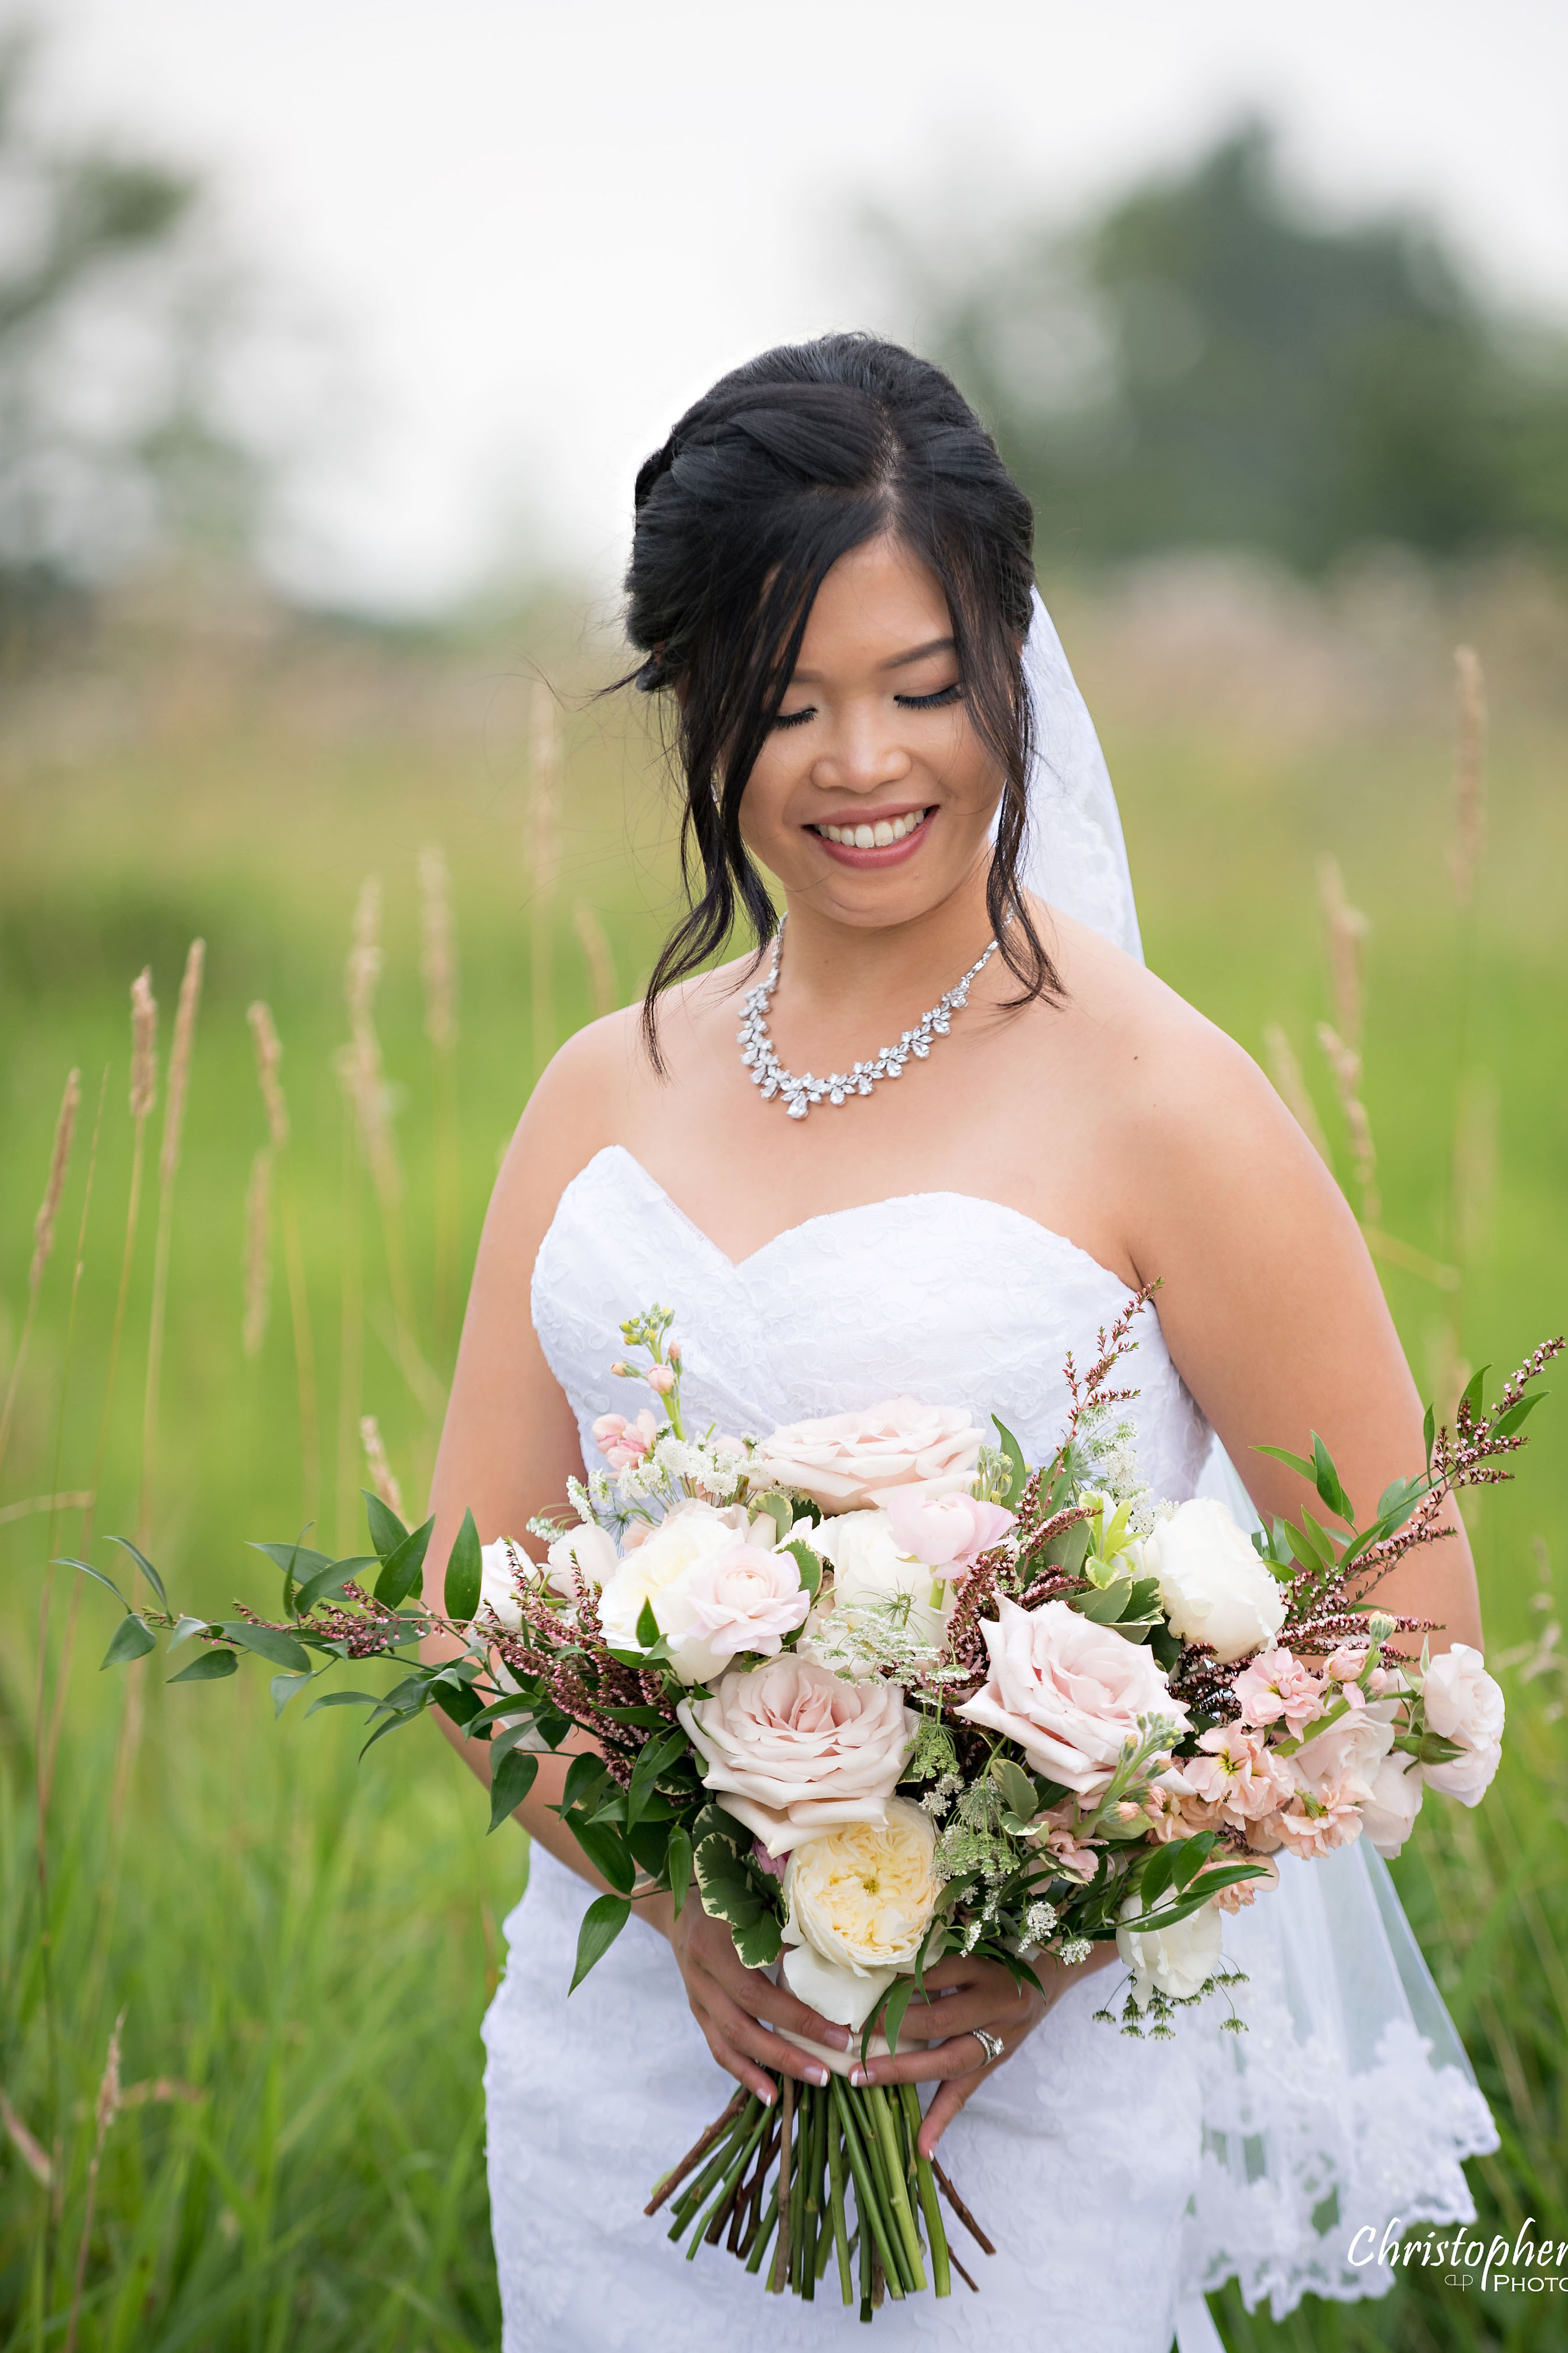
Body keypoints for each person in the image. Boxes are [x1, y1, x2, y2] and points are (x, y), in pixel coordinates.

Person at [423, 335, 1495, 2350]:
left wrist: (1045, 1941)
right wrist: (682, 1910)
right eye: (788, 702)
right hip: (620, 2090)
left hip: (1017, 2110)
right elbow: (464, 1597)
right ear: (694, 710)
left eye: (923, 690)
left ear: (1009, 665)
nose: (863, 763)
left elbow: (1406, 1618)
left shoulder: (1161, 1098)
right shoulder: (597, 1093)